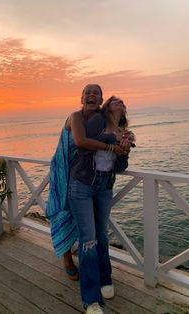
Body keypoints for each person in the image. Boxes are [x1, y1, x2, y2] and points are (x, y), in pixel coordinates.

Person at [46, 85, 126, 282]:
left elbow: (114, 133)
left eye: (96, 93)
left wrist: (125, 139)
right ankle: (67, 258)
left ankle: (90, 263)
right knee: (64, 213)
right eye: (87, 93)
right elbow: (81, 141)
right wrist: (111, 146)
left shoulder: (102, 120)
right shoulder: (75, 117)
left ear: (101, 101)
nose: (91, 95)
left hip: (85, 174)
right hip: (64, 170)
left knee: (86, 225)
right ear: (81, 99)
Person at [68, 95, 134, 313]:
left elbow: (121, 167)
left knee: (102, 236)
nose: (121, 104)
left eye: (123, 103)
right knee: (88, 240)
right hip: (83, 184)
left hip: (105, 186)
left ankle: (106, 279)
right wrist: (115, 141)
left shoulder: (123, 131)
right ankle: (91, 299)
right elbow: (84, 145)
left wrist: (125, 149)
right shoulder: (97, 120)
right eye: (117, 101)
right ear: (108, 106)